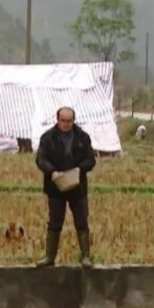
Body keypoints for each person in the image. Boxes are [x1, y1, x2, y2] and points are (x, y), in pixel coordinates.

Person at [34, 106, 97, 268]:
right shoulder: (48, 138)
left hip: (78, 187)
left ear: (73, 121)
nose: (66, 124)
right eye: (63, 121)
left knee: (82, 221)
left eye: (69, 121)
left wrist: (80, 169)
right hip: (55, 187)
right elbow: (41, 159)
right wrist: (52, 172)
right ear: (57, 120)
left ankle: (85, 257)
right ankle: (49, 257)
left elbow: (91, 160)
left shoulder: (82, 137)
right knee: (55, 222)